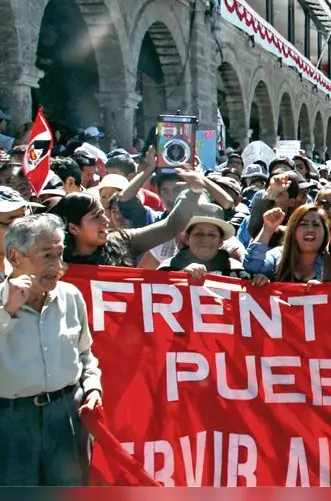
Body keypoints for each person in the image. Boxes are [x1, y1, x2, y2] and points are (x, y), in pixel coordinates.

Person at [0, 214, 102, 486]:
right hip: (11, 422)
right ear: (15, 256)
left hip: (66, 416)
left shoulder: (71, 296)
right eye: (47, 255)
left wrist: (92, 388)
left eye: (59, 255)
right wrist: (6, 312)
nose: (57, 266)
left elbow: (86, 356)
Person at [53, 190, 199, 267]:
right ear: (73, 228)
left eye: (103, 213)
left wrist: (194, 192)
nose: (105, 220)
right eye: (96, 217)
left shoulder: (122, 241)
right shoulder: (56, 261)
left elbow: (170, 228)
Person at [245, 204, 331, 284]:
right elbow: (252, 266)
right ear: (293, 230)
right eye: (303, 224)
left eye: (316, 225)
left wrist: (324, 291)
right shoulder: (278, 255)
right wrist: (268, 228)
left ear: (325, 232)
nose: (310, 229)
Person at [158, 203, 248, 280]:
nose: (205, 239)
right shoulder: (167, 267)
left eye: (212, 235)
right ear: (187, 239)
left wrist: (258, 281)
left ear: (221, 242)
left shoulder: (236, 269)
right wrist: (182, 275)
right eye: (198, 234)